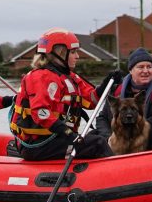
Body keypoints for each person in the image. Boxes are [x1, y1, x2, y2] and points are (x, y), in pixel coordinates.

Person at [9, 28, 114, 160]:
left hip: (58, 140)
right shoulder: (41, 77)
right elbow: (41, 113)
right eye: (73, 52)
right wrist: (68, 133)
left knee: (98, 134)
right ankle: (118, 175)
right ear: (60, 52)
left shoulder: (70, 78)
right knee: (97, 143)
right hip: (37, 146)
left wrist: (106, 84)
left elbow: (91, 101)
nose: (77, 56)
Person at [94, 48, 152, 149]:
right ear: (131, 70)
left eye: (149, 67)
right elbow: (102, 118)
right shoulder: (116, 91)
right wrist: (109, 137)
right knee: (94, 135)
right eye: (140, 67)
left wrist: (140, 126)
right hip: (122, 142)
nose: (145, 71)